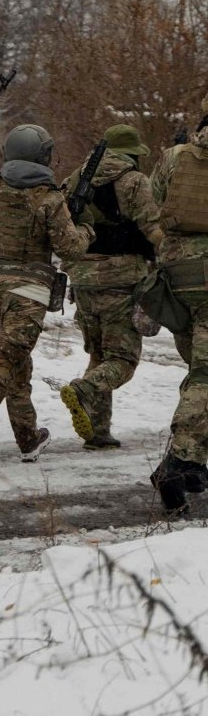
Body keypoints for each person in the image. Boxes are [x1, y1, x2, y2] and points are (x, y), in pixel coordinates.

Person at [0, 125, 93, 464]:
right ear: (43, 156)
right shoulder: (50, 197)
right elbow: (71, 248)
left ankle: (27, 439)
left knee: (16, 365)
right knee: (8, 361)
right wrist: (86, 229)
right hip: (29, 291)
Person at [58, 124, 163, 449]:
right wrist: (170, 256)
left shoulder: (76, 180)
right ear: (130, 153)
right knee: (124, 360)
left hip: (83, 279)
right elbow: (153, 227)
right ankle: (83, 390)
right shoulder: (135, 182)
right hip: (122, 280)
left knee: (101, 353)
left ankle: (98, 431)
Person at [148, 100, 208, 512]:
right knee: (206, 374)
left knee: (199, 368)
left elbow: (155, 199)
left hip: (177, 276)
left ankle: (193, 466)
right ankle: (180, 460)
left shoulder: (174, 155)